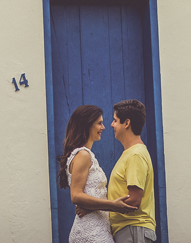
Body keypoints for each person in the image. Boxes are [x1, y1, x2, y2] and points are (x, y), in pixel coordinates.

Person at [57, 104, 137, 243]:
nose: (103, 127)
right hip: (91, 231)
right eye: (99, 123)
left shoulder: (86, 155)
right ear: (87, 124)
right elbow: (76, 196)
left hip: (98, 226)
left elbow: (93, 194)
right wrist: (112, 205)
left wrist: (91, 207)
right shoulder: (83, 154)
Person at [106, 99, 156, 243]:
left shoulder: (135, 155)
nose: (112, 124)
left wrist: (97, 208)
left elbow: (133, 201)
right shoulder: (130, 153)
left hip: (134, 229)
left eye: (115, 120)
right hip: (129, 231)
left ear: (126, 123)